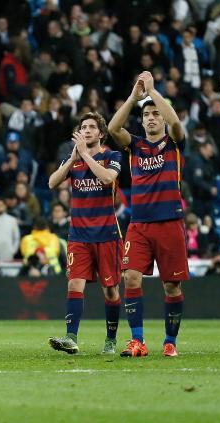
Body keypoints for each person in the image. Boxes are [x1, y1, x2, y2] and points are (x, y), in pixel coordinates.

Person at [107, 71, 189, 358]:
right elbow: (112, 128)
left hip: (169, 221)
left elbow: (176, 123)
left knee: (171, 284)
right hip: (139, 224)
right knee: (130, 278)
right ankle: (137, 340)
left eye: (156, 114)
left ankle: (170, 341)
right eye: (147, 115)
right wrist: (134, 97)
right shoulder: (136, 146)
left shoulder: (174, 143)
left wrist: (154, 93)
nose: (152, 118)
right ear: (142, 121)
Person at [46, 112, 122, 355]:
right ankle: (71, 337)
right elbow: (51, 182)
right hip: (79, 235)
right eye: (83, 127)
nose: (87, 131)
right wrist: (72, 158)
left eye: (91, 127)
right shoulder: (74, 160)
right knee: (74, 284)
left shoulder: (112, 156)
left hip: (107, 234)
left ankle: (110, 340)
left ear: (100, 133)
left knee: (109, 289)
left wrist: (86, 155)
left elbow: (108, 178)